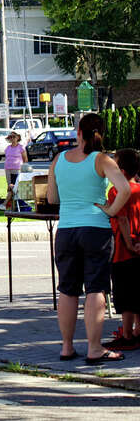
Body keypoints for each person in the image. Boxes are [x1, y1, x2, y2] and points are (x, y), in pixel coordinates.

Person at [48, 112, 132, 364]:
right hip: (95, 228)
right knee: (96, 288)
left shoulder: (58, 159)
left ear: (78, 133)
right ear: (100, 134)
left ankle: (66, 346)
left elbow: (52, 198)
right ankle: (94, 348)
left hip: (66, 229)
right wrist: (110, 210)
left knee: (67, 289)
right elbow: (125, 189)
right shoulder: (102, 160)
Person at [105, 148, 140, 351]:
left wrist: (128, 243)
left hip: (123, 250)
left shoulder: (117, 191)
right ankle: (137, 331)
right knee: (138, 292)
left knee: (126, 295)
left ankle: (127, 335)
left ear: (122, 170)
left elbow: (123, 219)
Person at [3, 132, 28, 209]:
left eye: (14, 137)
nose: (12, 139)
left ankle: (6, 204)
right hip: (8, 169)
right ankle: (11, 205)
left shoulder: (21, 147)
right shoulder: (7, 148)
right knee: (9, 186)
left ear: (17, 138)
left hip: (17, 169)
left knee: (15, 187)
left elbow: (25, 159)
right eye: (10, 137)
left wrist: (24, 169)